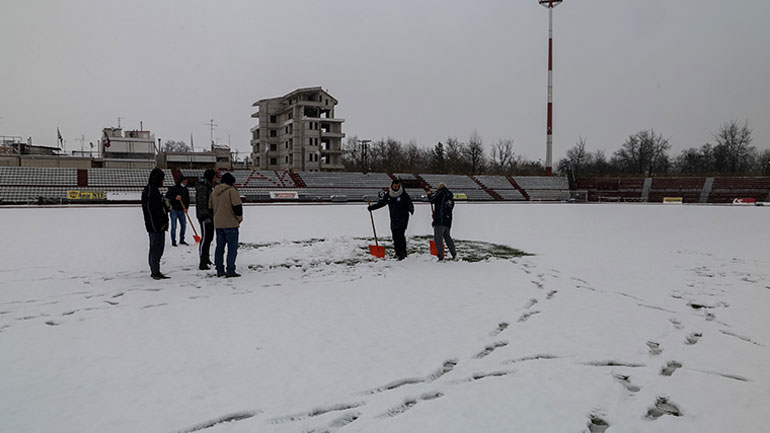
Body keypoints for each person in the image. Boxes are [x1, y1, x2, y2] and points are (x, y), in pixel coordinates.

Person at [368, 178, 414, 260]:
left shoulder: (403, 194)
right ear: (392, 186)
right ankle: (397, 252)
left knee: (400, 235)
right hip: (394, 218)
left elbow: (409, 203)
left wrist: (411, 209)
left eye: (397, 186)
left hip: (403, 217)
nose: (396, 188)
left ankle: (403, 253)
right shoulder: (389, 195)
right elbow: (382, 203)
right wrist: (372, 207)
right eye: (394, 186)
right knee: (395, 236)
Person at [210, 172, 243, 277]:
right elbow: (237, 207)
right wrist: (239, 219)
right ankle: (230, 270)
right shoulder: (232, 191)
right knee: (232, 249)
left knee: (219, 247)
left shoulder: (214, 192)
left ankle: (219, 269)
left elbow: (210, 208)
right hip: (231, 223)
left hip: (218, 224)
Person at [141, 168, 170, 279]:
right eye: (162, 179)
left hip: (159, 225)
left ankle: (156, 270)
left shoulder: (154, 190)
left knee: (158, 248)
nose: (163, 181)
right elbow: (151, 211)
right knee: (156, 249)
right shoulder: (150, 191)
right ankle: (155, 271)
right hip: (155, 226)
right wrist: (157, 224)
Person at [428, 182, 457, 261]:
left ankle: (440, 256)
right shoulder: (450, 196)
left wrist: (429, 195)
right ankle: (454, 254)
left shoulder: (441, 193)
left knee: (438, 238)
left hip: (440, 220)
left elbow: (432, 200)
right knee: (447, 237)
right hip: (447, 220)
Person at [195, 169, 216, 270]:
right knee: (205, 238)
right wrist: (205, 216)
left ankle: (206, 258)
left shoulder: (207, 186)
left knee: (209, 238)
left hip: (209, 216)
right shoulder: (203, 188)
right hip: (205, 217)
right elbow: (202, 203)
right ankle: (202, 261)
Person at [165, 177, 190, 246]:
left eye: (186, 182)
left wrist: (186, 208)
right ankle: (173, 241)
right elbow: (167, 197)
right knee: (174, 226)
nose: (185, 183)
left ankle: (182, 239)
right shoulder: (173, 189)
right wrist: (175, 197)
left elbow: (187, 200)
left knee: (184, 225)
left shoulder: (185, 190)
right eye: (184, 182)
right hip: (174, 210)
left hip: (182, 210)